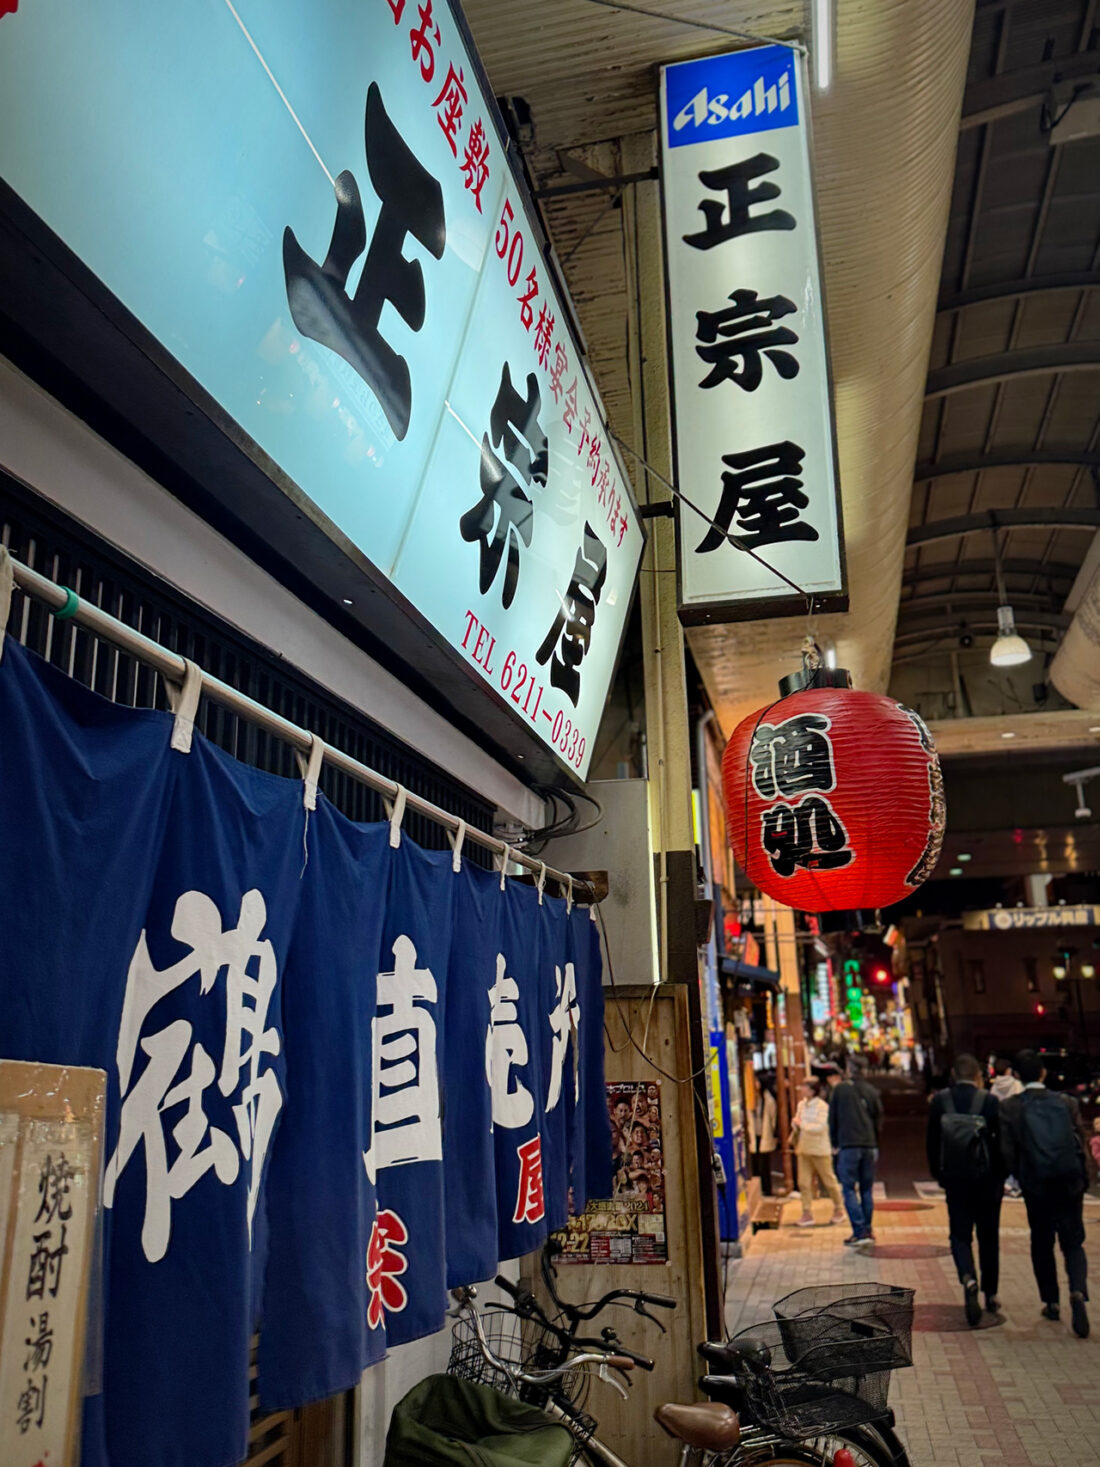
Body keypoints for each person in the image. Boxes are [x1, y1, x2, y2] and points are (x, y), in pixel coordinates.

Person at [1000, 1049, 1090, 1338]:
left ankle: (1051, 1302)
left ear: (1017, 1075)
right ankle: (1077, 1290)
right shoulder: (1066, 1102)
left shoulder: (1012, 1107)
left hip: (1036, 1183)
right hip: (1069, 1180)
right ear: (1042, 1073)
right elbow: (1081, 1141)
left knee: (1042, 1241)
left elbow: (1007, 1151)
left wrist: (1018, 1177)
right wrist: (1084, 1177)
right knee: (1073, 1240)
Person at [926, 1053, 1004, 1325]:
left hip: (955, 1180)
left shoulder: (940, 1101)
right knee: (988, 1237)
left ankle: (968, 1277)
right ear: (978, 1077)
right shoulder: (989, 1102)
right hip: (987, 1181)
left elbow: (933, 1142)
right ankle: (991, 1294)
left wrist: (940, 1174)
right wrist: (1000, 1175)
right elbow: (1000, 1144)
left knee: (960, 1235)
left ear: (953, 1076)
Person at [827, 1063, 880, 1248]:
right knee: (866, 1188)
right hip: (869, 1144)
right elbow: (878, 1117)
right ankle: (867, 1228)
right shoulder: (871, 1090)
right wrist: (875, 1139)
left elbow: (832, 1118)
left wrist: (834, 1143)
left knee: (848, 1188)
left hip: (848, 1144)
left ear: (848, 1071)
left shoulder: (840, 1090)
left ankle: (859, 1230)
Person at [792, 1077, 844, 1227]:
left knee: (829, 1181)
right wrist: (796, 1124)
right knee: (804, 1183)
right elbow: (797, 1120)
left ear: (812, 1090)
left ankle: (839, 1209)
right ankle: (806, 1212)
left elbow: (821, 1126)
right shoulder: (801, 1105)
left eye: (804, 1086)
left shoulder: (822, 1106)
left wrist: (802, 1125)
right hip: (803, 1148)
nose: (801, 1089)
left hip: (820, 1149)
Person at [990, 1058, 1024, 1196]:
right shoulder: (1016, 1084)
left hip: (999, 1123)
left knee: (1003, 1152)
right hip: (1015, 1123)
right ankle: (1015, 1183)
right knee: (1017, 1153)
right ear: (1008, 1070)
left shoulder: (994, 1086)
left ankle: (1006, 1182)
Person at [749, 1077, 778, 1197]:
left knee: (764, 1165)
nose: (755, 1084)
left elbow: (773, 1118)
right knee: (754, 1163)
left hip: (765, 1134)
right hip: (753, 1134)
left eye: (757, 1082)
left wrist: (775, 1134)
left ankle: (767, 1190)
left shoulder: (768, 1099)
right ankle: (757, 1191)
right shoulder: (749, 1098)